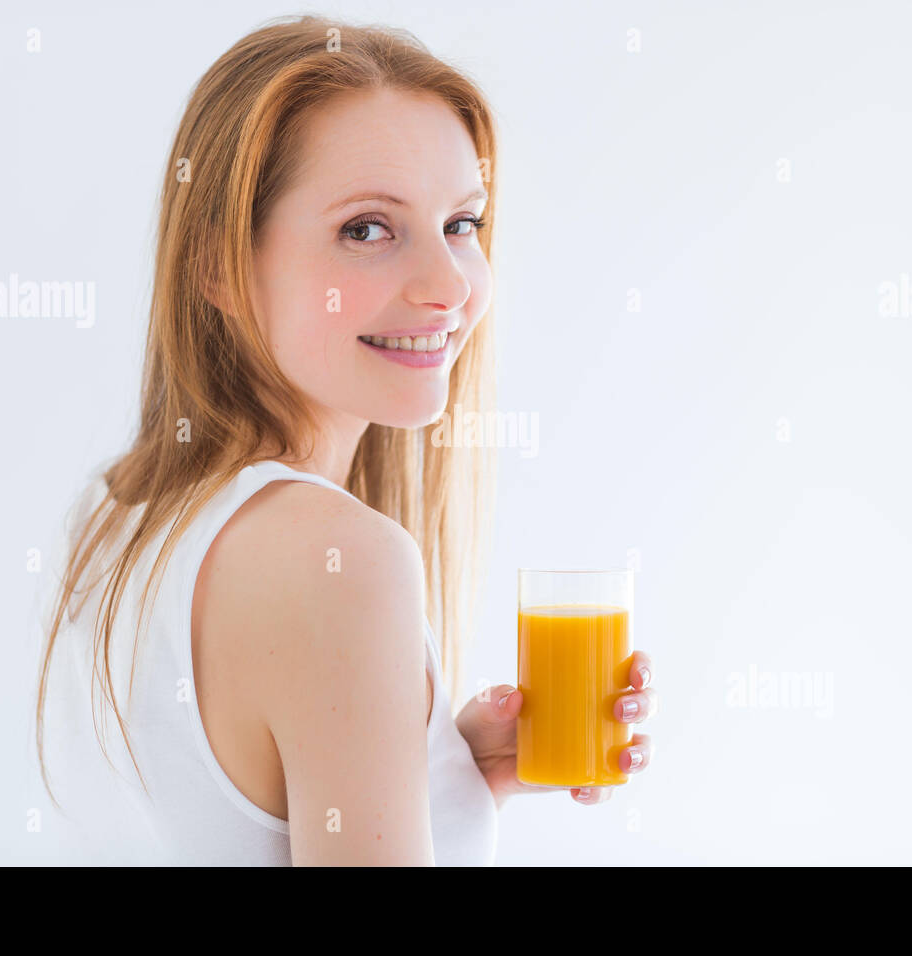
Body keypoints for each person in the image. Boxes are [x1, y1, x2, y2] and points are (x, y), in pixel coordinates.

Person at [34, 14, 657, 866]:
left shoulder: (115, 511)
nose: (447, 287)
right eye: (366, 229)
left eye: (461, 224)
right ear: (217, 265)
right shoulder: (343, 562)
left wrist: (432, 770)